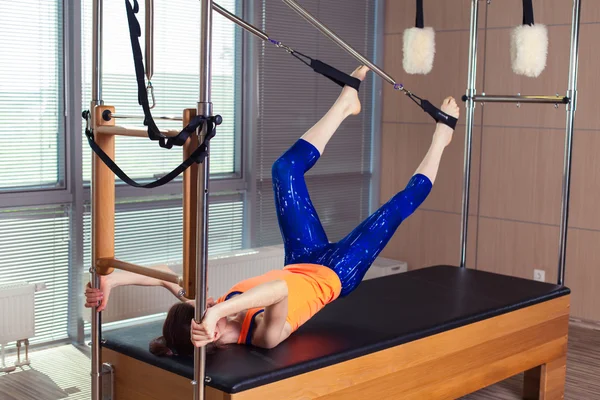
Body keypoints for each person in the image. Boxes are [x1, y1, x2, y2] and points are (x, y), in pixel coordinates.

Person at [85, 65, 460, 356]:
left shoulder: (213, 312)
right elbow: (278, 290)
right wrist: (216, 313)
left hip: (301, 258)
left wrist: (112, 281)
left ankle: (345, 104)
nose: (213, 304)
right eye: (210, 312)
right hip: (337, 273)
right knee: (394, 209)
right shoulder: (262, 335)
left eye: (208, 306)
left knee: (284, 170)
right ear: (212, 333)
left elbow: (168, 275)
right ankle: (442, 139)